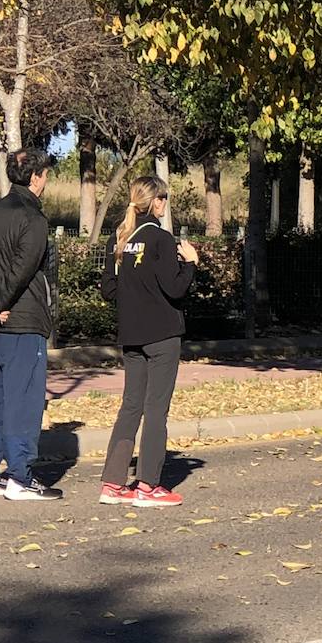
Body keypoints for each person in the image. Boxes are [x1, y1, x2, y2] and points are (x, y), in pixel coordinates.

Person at [97, 175, 198, 507]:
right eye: (164, 197)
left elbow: (109, 289)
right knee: (156, 409)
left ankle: (112, 483)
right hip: (162, 335)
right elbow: (175, 288)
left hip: (132, 335)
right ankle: (148, 485)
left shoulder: (123, 238)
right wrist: (191, 264)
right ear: (155, 202)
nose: (166, 202)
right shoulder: (161, 239)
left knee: (131, 406)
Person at [0, 148, 61, 500]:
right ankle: (20, 477)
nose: (45, 181)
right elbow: (22, 271)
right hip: (21, 322)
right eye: (44, 174)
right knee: (23, 401)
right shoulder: (34, 219)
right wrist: (0, 307)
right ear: (35, 177)